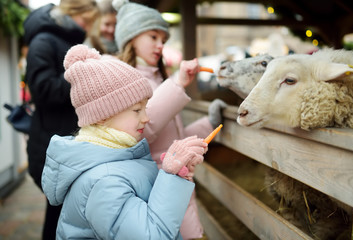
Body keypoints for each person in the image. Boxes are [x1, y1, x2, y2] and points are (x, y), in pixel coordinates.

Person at [41, 44, 208, 239]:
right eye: (137, 110)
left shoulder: (117, 156)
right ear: (102, 116)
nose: (146, 118)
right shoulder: (104, 182)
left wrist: (174, 175)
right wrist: (171, 177)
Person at [112, 0, 228, 239]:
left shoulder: (156, 79)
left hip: (174, 181)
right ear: (131, 37)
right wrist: (177, 83)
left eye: (163, 40)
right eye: (153, 37)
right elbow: (142, 131)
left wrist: (209, 122)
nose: (159, 45)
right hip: (155, 187)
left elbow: (171, 140)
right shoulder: (123, 81)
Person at [23, 1, 99, 239]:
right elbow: (42, 89)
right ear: (72, 14)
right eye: (86, 21)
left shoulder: (66, 42)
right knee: (59, 215)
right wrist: (85, 77)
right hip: (50, 145)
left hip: (62, 143)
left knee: (66, 215)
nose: (87, 27)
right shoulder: (43, 41)